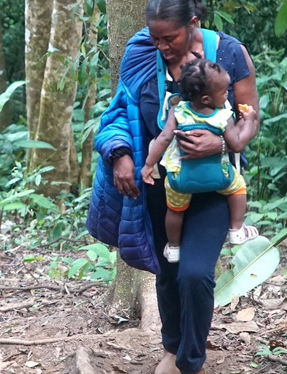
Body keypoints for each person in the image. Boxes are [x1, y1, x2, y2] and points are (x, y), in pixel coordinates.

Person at [86, 0, 259, 372]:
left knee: (195, 273)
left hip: (215, 187)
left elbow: (249, 117)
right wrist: (120, 155)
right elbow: (119, 110)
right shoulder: (141, 53)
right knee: (167, 272)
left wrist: (226, 142)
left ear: (193, 23)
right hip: (160, 187)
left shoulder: (229, 53)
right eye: (156, 38)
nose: (162, 46)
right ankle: (172, 347)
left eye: (171, 38)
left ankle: (190, 362)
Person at [141, 59, 259, 262]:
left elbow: (164, 138)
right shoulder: (223, 116)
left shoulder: (178, 112)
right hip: (219, 178)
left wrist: (148, 165)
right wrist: (248, 121)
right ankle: (237, 228)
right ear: (206, 98)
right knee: (238, 188)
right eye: (223, 92)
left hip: (181, 180)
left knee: (175, 210)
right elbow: (237, 144)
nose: (226, 96)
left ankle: (174, 246)